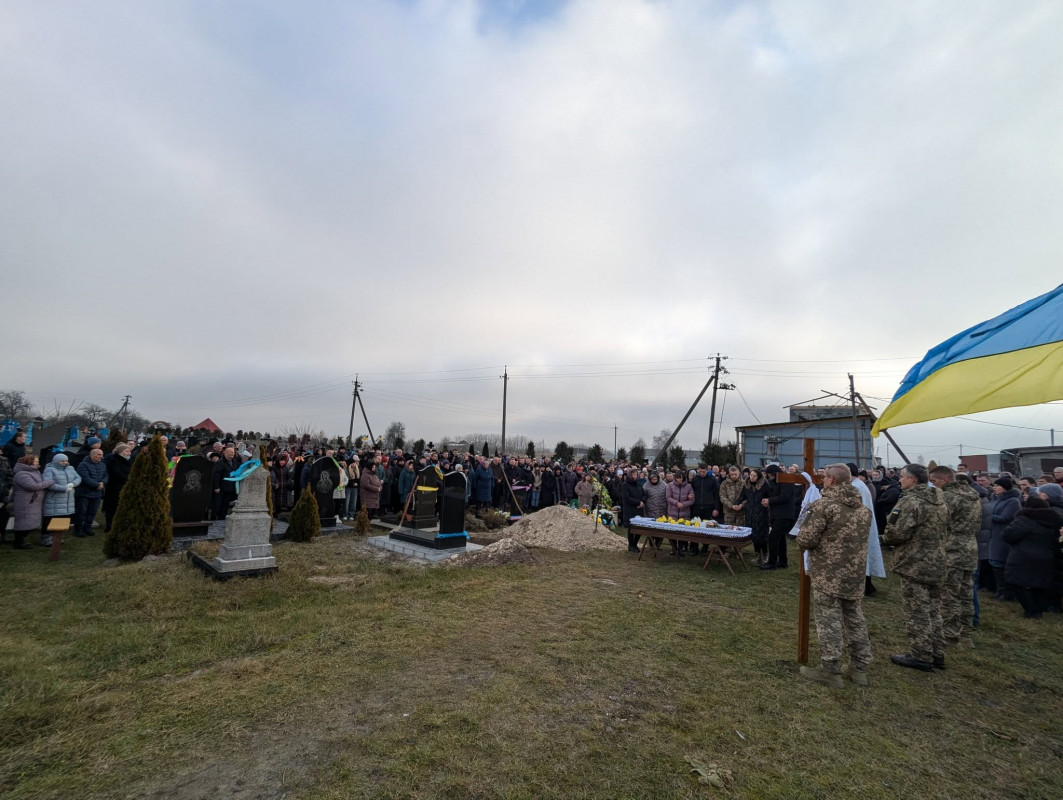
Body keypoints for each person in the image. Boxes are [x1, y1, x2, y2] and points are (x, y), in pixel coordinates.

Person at [795, 463, 874, 688]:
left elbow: (806, 539)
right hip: (855, 573)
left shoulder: (825, 506)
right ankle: (859, 668)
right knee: (854, 617)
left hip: (829, 573)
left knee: (829, 620)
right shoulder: (862, 508)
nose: (822, 480)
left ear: (831, 480)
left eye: (824, 477)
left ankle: (831, 670)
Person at [882, 463, 949, 672]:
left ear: (912, 480)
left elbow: (897, 532)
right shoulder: (939, 499)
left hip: (915, 562)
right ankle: (937, 652)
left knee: (917, 610)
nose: (899, 480)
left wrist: (884, 538)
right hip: (937, 560)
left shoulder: (910, 502)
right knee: (933, 609)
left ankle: (921, 655)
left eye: (902, 476)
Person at [929, 466, 981, 648]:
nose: (933, 485)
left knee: (949, 594)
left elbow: (938, 522)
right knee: (966, 593)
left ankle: (951, 636)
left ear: (945, 480)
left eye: (935, 481)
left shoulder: (948, 497)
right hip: (970, 546)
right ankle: (966, 634)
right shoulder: (973, 494)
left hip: (952, 547)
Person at [1002, 496, 1060, 619]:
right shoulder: (1054, 520)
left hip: (1023, 556)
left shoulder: (1024, 519)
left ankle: (1030, 610)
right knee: (1040, 584)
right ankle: (1038, 609)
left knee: (1017, 582)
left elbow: (1008, 535)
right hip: (1047, 556)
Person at [988, 477, 1022, 601]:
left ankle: (1008, 592)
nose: (995, 488)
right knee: (994, 564)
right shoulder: (994, 498)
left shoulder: (1013, 501)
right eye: (995, 486)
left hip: (1003, 535)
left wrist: (987, 516)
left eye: (998, 486)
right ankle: (1000, 589)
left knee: (1001, 563)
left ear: (1005, 488)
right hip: (993, 534)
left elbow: (1006, 517)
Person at [12, 455, 55, 549]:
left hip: (33, 502)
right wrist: (50, 482)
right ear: (29, 462)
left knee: (30, 523)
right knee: (23, 523)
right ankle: (19, 542)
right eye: (36, 461)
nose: (37, 463)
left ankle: (20, 541)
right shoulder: (21, 474)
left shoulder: (35, 471)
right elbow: (32, 486)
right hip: (25, 502)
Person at [762, 465, 798, 570]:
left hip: (785, 515)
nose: (770, 477)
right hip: (777, 515)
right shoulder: (775, 482)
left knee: (773, 537)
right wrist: (768, 500)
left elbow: (784, 497)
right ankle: (782, 561)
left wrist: (770, 500)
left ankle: (772, 562)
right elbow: (774, 494)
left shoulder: (787, 481)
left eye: (770, 475)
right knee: (780, 538)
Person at [42, 452, 80, 546]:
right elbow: (48, 483)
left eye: (66, 460)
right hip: (54, 499)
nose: (65, 462)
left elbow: (78, 478)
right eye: (62, 461)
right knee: (50, 519)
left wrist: (72, 484)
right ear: (56, 461)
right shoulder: (49, 470)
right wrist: (64, 488)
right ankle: (46, 538)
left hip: (68, 499)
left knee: (63, 518)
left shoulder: (70, 468)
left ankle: (58, 536)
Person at [74, 448, 108, 537]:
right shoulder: (83, 465)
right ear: (92, 455)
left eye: (102, 454)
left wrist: (103, 482)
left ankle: (87, 527)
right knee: (82, 512)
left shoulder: (102, 465)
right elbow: (85, 478)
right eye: (99, 455)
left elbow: (105, 475)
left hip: (97, 493)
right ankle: (78, 529)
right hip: (84, 492)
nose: (101, 456)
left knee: (93, 511)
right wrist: (97, 485)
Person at [102, 444, 132, 533]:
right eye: (126, 451)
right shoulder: (114, 460)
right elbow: (117, 474)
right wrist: (129, 479)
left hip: (126, 487)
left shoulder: (130, 461)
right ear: (120, 452)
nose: (129, 453)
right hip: (114, 487)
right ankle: (110, 526)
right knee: (112, 508)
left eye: (129, 451)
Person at [742, 468, 769, 564]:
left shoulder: (765, 485)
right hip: (750, 513)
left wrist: (767, 501)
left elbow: (770, 496)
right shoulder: (746, 485)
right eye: (751, 475)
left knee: (762, 535)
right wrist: (737, 504)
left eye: (754, 476)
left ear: (758, 477)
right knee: (753, 535)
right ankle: (757, 555)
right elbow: (742, 496)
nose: (752, 477)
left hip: (762, 513)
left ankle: (765, 554)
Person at [665, 470, 694, 556]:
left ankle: (681, 549)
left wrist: (684, 504)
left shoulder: (689, 486)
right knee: (672, 532)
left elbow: (692, 500)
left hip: (684, 513)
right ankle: (674, 548)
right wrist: (676, 503)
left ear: (683, 478)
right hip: (672, 512)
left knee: (682, 532)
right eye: (677, 478)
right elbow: (668, 497)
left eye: (680, 478)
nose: (678, 480)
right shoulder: (670, 486)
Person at [617, 468, 646, 553]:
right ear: (630, 475)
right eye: (633, 475)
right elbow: (627, 497)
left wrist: (642, 502)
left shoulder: (639, 484)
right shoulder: (625, 485)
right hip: (630, 509)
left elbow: (644, 494)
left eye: (636, 475)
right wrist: (638, 502)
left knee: (639, 527)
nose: (635, 476)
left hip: (639, 509)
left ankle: (635, 544)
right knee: (631, 528)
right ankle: (631, 545)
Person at [211, 446, 241, 521]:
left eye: (233, 452)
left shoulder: (234, 461)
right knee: (217, 504)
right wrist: (216, 487)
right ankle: (214, 519)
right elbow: (216, 475)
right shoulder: (220, 462)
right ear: (225, 453)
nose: (232, 454)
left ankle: (222, 518)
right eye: (231, 452)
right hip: (221, 488)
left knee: (225, 505)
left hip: (230, 488)